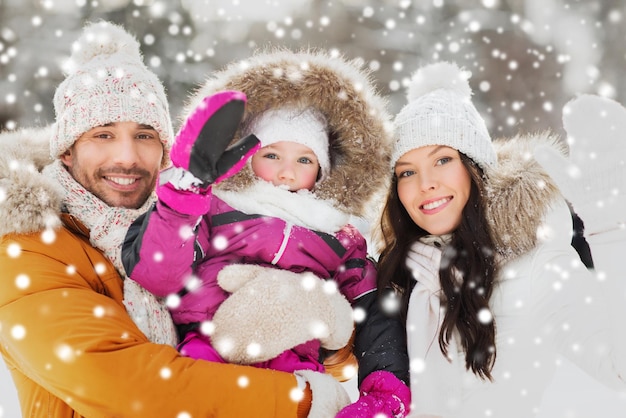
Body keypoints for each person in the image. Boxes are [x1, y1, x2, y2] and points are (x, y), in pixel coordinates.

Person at [0, 21, 343, 418]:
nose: (126, 157)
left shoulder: (190, 227)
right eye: (103, 135)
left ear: (165, 151)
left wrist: (311, 309)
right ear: (66, 151)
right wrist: (300, 398)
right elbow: (127, 385)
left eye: (145, 135)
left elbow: (325, 356)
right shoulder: (25, 247)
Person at [122, 49, 412, 417]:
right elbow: (159, 274)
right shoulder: (215, 205)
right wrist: (186, 195)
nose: (287, 173)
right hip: (210, 348)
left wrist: (386, 391)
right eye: (273, 155)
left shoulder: (337, 233)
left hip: (293, 364)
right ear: (246, 155)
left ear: (322, 171)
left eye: (304, 160)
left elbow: (375, 312)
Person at [375, 61, 626, 417]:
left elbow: (620, 369)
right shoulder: (396, 276)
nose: (425, 183)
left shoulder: (537, 267)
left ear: (474, 167)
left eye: (443, 159)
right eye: (407, 172)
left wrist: (611, 233)